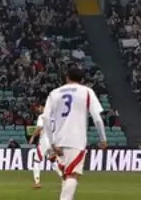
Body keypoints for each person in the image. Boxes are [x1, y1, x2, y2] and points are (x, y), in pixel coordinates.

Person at [40, 66, 108, 200]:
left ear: (66, 77)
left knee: (66, 176)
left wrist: (52, 142)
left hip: (58, 140)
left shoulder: (54, 93)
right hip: (76, 140)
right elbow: (97, 118)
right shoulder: (87, 92)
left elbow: (46, 118)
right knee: (73, 175)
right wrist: (103, 139)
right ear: (82, 79)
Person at [31, 108, 50, 189]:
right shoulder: (53, 116)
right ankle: (65, 178)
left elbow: (39, 127)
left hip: (44, 142)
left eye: (39, 107)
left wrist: (33, 136)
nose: (38, 109)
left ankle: (37, 182)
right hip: (52, 142)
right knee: (53, 161)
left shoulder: (42, 116)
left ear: (43, 107)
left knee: (36, 160)